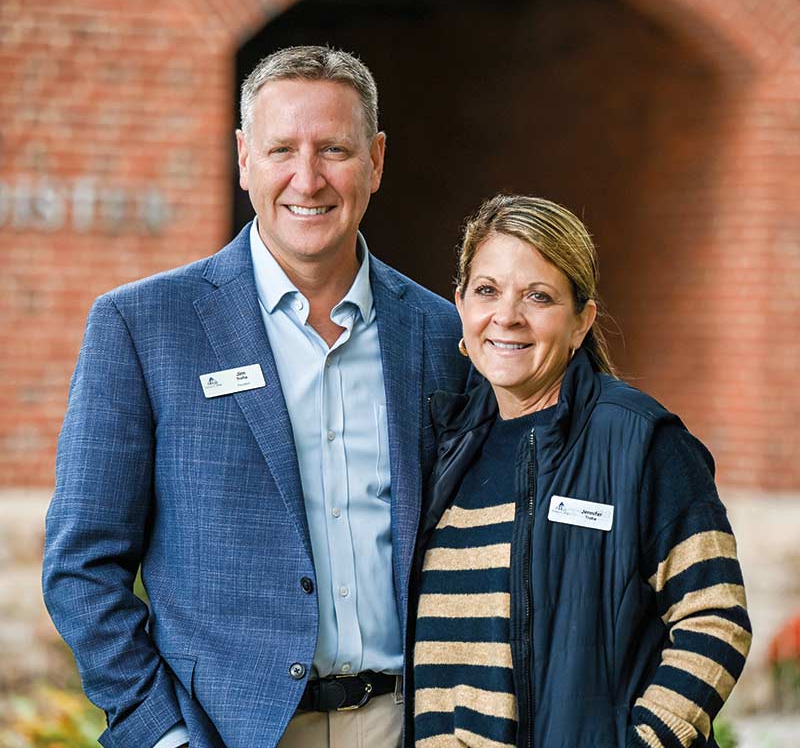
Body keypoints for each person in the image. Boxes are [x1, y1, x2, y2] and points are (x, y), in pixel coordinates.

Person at [42, 45, 469, 748]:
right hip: (226, 732)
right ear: (244, 159)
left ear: (377, 160)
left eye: (334, 148)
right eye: (281, 149)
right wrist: (160, 733)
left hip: (409, 726)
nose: (308, 178)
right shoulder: (144, 325)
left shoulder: (440, 333)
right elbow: (81, 565)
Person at [407, 195, 752, 748]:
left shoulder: (641, 442)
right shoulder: (445, 447)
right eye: (487, 290)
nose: (507, 316)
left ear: (580, 323)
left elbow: (715, 619)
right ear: (461, 306)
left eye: (538, 296)